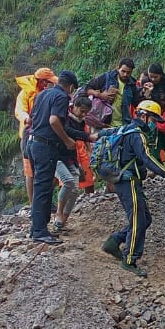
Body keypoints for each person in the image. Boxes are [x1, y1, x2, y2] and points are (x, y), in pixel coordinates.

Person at [100, 100, 165, 276]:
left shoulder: (124, 129)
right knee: (138, 220)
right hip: (128, 181)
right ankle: (130, 259)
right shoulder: (136, 135)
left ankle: (114, 241)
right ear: (143, 116)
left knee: (145, 219)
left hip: (125, 180)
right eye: (153, 120)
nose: (154, 124)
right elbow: (147, 158)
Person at [25, 70, 79, 245]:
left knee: (42, 186)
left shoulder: (43, 94)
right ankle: (40, 231)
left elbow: (33, 119)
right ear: (71, 87)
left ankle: (37, 228)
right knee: (43, 188)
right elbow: (54, 121)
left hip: (32, 143)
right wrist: (66, 140)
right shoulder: (61, 97)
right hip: (45, 146)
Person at [51, 93, 95, 233]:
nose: (83, 115)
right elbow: (69, 131)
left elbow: (78, 137)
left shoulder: (81, 122)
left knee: (75, 189)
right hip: (55, 154)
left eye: (86, 113)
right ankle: (58, 213)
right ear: (74, 106)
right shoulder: (64, 116)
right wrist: (89, 137)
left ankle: (62, 221)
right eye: (82, 111)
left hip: (71, 156)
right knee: (68, 181)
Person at [14, 67, 58, 206]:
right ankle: (34, 204)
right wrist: (27, 119)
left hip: (46, 136)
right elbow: (19, 110)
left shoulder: (48, 93)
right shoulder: (25, 93)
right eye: (46, 82)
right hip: (28, 135)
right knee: (30, 171)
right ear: (40, 80)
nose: (47, 85)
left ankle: (44, 200)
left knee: (47, 169)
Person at [86, 57, 139, 127]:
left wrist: (145, 93)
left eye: (128, 72)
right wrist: (100, 95)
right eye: (123, 71)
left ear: (132, 72)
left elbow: (136, 102)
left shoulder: (132, 84)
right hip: (103, 123)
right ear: (118, 68)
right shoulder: (107, 77)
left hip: (122, 124)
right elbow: (87, 89)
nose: (125, 74)